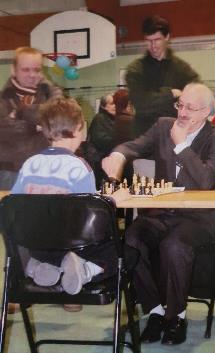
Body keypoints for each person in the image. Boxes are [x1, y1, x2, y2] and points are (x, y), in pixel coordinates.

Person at [102, 83, 215, 345]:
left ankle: (177, 316)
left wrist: (182, 146)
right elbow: (135, 145)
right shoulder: (163, 126)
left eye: (190, 108)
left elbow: (205, 180)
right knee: (131, 240)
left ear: (207, 111)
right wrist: (117, 155)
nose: (182, 113)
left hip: (197, 218)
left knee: (174, 245)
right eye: (180, 104)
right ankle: (155, 311)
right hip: (161, 213)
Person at [11, 97, 131, 299]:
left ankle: (43, 266)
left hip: (37, 244)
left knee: (47, 242)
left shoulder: (29, 164)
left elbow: (14, 205)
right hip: (72, 243)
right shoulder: (79, 167)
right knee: (126, 250)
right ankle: (86, 270)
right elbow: (92, 219)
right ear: (77, 129)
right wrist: (112, 200)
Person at [126, 15, 200, 138]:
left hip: (175, 138)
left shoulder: (182, 69)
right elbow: (140, 103)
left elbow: (196, 97)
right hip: (145, 140)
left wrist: (154, 99)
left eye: (157, 39)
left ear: (167, 37)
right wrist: (171, 94)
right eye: (149, 41)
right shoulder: (136, 69)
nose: (153, 46)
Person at [0, 46, 62, 190]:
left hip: (47, 171)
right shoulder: (2, 99)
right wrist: (35, 127)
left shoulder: (53, 93)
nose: (32, 75)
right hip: (9, 174)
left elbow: (56, 120)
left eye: (37, 70)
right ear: (13, 70)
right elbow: (2, 130)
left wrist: (21, 112)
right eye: (26, 70)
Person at [84, 93, 116, 189]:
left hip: (105, 161)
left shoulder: (112, 119)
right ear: (103, 106)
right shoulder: (100, 118)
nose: (115, 106)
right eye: (112, 103)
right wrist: (119, 142)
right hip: (99, 163)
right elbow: (100, 139)